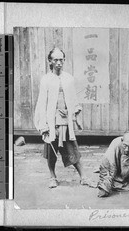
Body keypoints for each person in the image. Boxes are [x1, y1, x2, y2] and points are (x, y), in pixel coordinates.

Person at [34, 47, 95, 189]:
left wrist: (74, 113)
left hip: (65, 121)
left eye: (61, 59)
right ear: (50, 61)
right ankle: (52, 177)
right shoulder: (46, 80)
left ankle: (84, 177)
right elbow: (42, 103)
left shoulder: (69, 78)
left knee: (72, 149)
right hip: (51, 121)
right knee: (51, 151)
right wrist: (43, 126)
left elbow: (73, 100)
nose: (59, 63)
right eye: (56, 60)